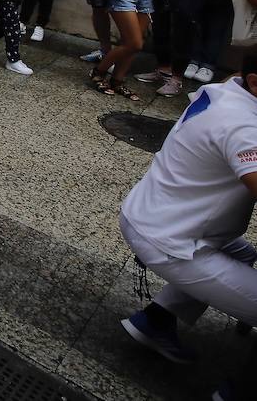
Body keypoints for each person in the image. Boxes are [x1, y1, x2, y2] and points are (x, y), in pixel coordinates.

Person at [117, 49, 257, 400]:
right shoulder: (243, 126)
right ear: (255, 82)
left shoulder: (231, 88)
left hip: (156, 214)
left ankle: (156, 320)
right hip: (168, 237)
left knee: (241, 254)